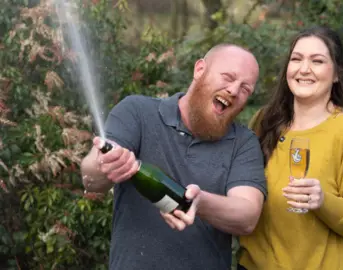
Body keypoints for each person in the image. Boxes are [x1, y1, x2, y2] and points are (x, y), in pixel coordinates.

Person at [80, 44, 267, 270]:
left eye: (245, 88)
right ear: (199, 69)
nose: (234, 90)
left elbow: (247, 216)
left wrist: (200, 202)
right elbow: (92, 178)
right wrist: (105, 164)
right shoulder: (137, 112)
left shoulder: (243, 142)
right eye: (228, 77)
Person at [238, 26, 343, 270]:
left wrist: (324, 202)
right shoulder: (265, 120)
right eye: (296, 59)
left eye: (317, 61)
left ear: (337, 74)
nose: (304, 69)